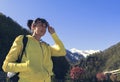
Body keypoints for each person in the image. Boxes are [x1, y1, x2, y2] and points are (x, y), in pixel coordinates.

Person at [2, 18, 66, 82]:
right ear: (33, 26)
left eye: (45, 26)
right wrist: (26, 66)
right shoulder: (23, 40)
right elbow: (6, 66)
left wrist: (53, 34)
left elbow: (62, 52)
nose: (44, 28)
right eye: (41, 25)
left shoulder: (46, 46)